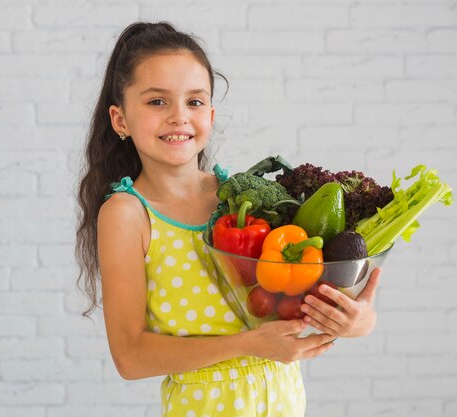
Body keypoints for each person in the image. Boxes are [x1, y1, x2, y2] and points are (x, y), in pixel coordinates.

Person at [76, 21, 381, 417]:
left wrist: (357, 320)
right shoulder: (126, 214)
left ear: (211, 113)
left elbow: (296, 292)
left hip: (285, 402)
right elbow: (131, 357)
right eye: (157, 102)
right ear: (120, 120)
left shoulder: (244, 199)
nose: (178, 116)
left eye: (195, 102)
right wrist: (250, 344)